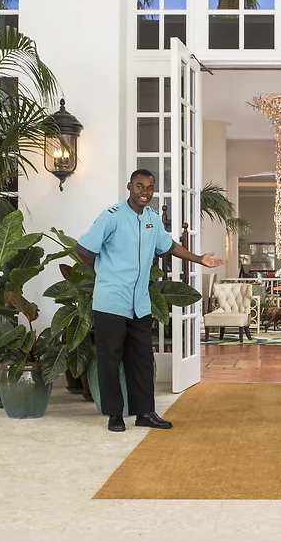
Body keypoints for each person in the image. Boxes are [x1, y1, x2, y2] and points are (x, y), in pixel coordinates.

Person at [76, 169, 224, 432]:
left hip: (139, 303)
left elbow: (168, 246)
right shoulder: (111, 217)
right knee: (110, 360)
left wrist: (199, 258)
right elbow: (85, 250)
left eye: (149, 188)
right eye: (139, 186)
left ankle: (145, 412)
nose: (144, 192)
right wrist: (106, 271)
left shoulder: (153, 219)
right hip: (111, 301)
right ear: (129, 187)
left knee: (142, 359)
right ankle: (114, 415)